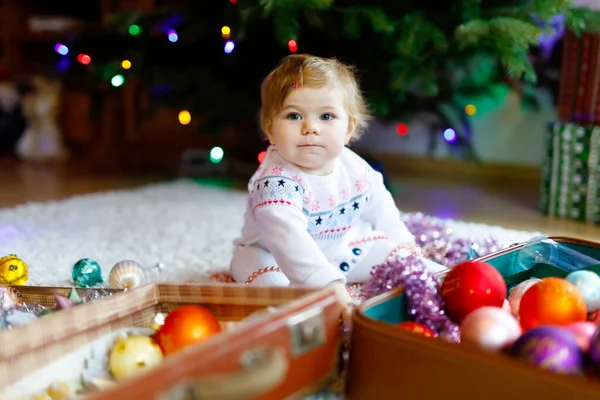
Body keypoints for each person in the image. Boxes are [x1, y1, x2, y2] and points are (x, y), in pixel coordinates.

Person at [229, 54, 447, 286]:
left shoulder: (352, 166)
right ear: (271, 129)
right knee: (275, 287)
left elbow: (380, 209)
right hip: (273, 257)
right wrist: (327, 285)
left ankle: (446, 279)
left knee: (399, 257)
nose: (310, 128)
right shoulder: (275, 183)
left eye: (326, 116)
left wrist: (404, 242)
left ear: (348, 128)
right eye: (294, 116)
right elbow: (289, 241)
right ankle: (321, 293)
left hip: (341, 250)